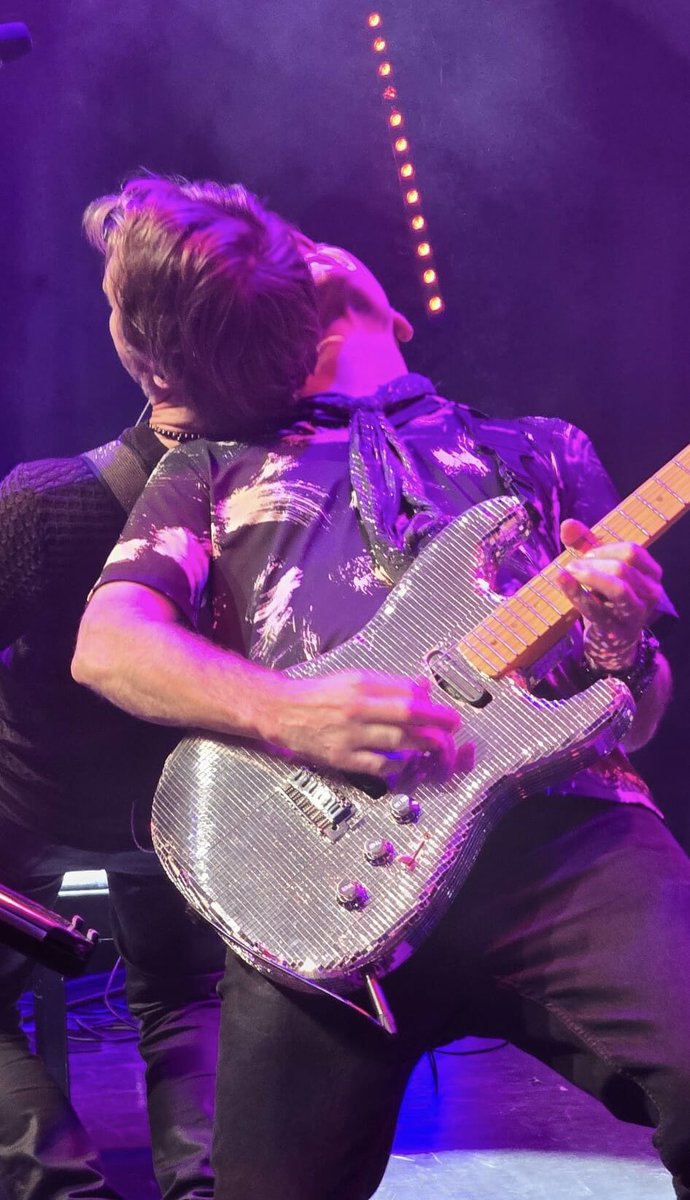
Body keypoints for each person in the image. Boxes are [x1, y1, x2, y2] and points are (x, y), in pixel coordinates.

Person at [72, 235, 690, 1200]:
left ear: (396, 315)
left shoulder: (538, 449)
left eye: (323, 242)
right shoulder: (211, 463)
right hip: (311, 861)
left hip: (566, 839)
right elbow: (109, 645)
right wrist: (288, 713)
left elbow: (638, 712)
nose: (309, 244)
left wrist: (617, 641)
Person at [0, 173, 320, 1200]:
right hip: (192, 830)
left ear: (140, 350)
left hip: (34, 820)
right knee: (184, 998)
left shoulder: (43, 506)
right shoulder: (307, 499)